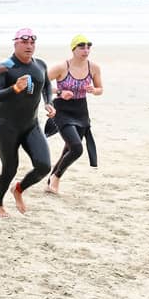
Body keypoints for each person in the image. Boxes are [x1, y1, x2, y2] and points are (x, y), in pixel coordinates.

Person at [0, 28, 56, 218]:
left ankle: (18, 189)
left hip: (31, 125)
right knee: (9, 169)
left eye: (32, 42)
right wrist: (14, 88)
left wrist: (49, 102)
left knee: (44, 166)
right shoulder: (5, 67)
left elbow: (46, 85)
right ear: (15, 43)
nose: (29, 46)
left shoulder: (40, 65)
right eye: (24, 42)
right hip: (7, 126)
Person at [44, 35, 104, 194]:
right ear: (73, 49)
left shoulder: (94, 68)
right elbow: (41, 85)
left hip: (81, 111)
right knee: (77, 148)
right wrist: (60, 91)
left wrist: (94, 90)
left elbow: (100, 89)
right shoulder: (61, 67)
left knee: (68, 149)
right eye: (82, 47)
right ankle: (56, 177)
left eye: (88, 47)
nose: (86, 50)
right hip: (61, 110)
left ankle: (51, 181)